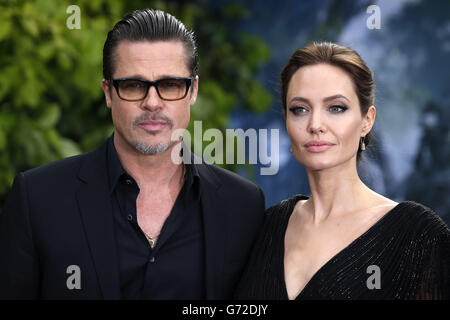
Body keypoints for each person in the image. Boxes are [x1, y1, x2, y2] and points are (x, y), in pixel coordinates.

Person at [0, 9, 265, 300]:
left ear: (193, 91)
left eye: (170, 85)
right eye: (134, 86)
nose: (152, 102)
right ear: (108, 93)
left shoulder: (243, 205)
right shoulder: (37, 199)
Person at [235, 42, 450, 300]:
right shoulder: (267, 226)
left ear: (366, 121)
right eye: (299, 109)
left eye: (336, 107)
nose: (315, 124)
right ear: (286, 120)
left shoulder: (417, 235)